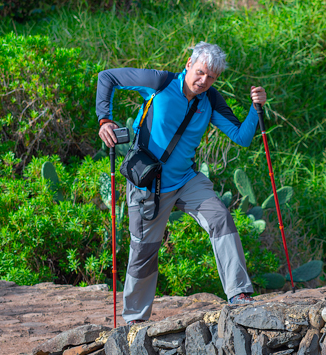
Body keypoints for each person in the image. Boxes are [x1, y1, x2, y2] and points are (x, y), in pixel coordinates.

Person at [96, 42, 265, 323]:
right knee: (144, 252)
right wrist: (105, 120)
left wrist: (256, 108)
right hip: (147, 183)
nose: (203, 81)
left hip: (186, 180)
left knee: (220, 217)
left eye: (211, 77)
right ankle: (134, 321)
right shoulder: (159, 82)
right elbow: (107, 77)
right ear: (188, 64)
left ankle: (239, 295)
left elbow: (241, 136)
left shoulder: (210, 100)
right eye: (200, 73)